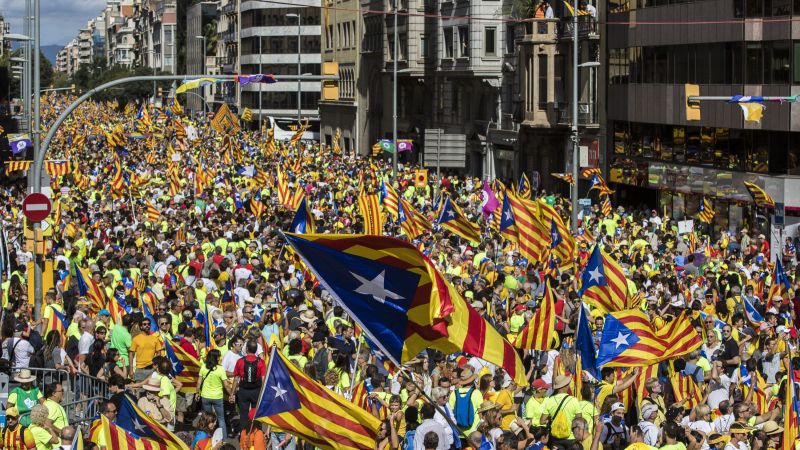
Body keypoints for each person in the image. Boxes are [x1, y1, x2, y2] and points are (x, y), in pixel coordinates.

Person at [197, 349, 232, 440]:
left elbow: (199, 383)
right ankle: (223, 439)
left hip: (205, 396)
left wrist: (197, 392)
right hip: (218, 397)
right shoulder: (220, 369)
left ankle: (209, 437)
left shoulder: (204, 367)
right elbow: (226, 385)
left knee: (208, 419)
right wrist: (231, 394)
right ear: (216, 358)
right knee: (221, 419)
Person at [233, 340, 266, 435]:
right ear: (256, 350)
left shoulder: (240, 361)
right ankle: (257, 434)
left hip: (243, 391)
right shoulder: (261, 362)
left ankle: (243, 435)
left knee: (243, 414)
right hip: (256, 391)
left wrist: (232, 392)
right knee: (257, 414)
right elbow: (263, 379)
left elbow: (236, 378)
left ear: (247, 349)